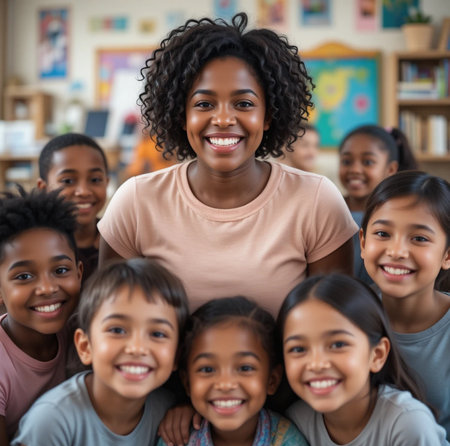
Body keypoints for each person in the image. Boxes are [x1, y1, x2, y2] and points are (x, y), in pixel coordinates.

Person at [98, 13, 358, 317]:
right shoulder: (135, 202)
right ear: (182, 116)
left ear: (269, 115)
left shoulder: (317, 201)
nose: (222, 119)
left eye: (244, 104)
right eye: (204, 104)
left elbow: (334, 329)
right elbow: (110, 323)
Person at [12, 258, 189, 446]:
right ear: (85, 346)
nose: (137, 348)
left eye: (157, 334)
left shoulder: (169, 412)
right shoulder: (52, 420)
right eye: (117, 330)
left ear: (176, 355)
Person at [278, 273, 449, 446]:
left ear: (377, 355)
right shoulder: (294, 423)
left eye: (338, 344)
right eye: (298, 349)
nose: (316, 363)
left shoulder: (409, 424)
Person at [360, 171, 450, 438]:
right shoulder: (346, 317)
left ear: (447, 254)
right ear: (363, 242)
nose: (397, 251)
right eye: (383, 233)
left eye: (419, 238)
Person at [156, 296, 310, 446]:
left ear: (272, 380)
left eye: (245, 368)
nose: (225, 384)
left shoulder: (287, 442)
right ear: (187, 382)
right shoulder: (175, 442)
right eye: (207, 369)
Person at [0, 187, 82, 446]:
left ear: (80, 273)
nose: (47, 288)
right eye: (24, 276)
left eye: (60, 270)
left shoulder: (84, 334)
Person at [338, 124, 418, 284]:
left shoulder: (401, 215)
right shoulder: (328, 208)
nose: (355, 169)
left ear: (390, 169)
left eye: (367, 162)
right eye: (347, 161)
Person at [37, 132, 109, 283]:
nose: (83, 191)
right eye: (68, 181)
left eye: (95, 179)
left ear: (107, 183)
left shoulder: (118, 241)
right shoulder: (33, 246)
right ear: (43, 188)